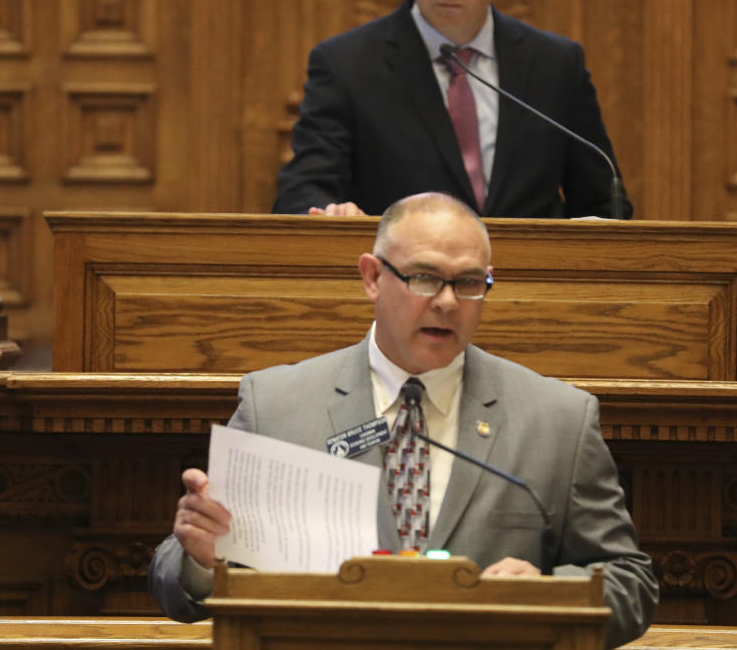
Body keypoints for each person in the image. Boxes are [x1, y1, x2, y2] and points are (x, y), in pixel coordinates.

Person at [149, 192, 658, 648]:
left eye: (468, 283)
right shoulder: (277, 405)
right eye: (423, 277)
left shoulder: (558, 419)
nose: (446, 301)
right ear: (372, 277)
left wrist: (547, 596)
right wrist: (200, 559)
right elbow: (177, 586)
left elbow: (630, 581)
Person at [272, 0, 633, 219]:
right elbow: (302, 192)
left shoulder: (556, 66)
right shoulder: (346, 65)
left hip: (531, 278)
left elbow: (603, 203)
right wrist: (331, 213)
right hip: (407, 278)